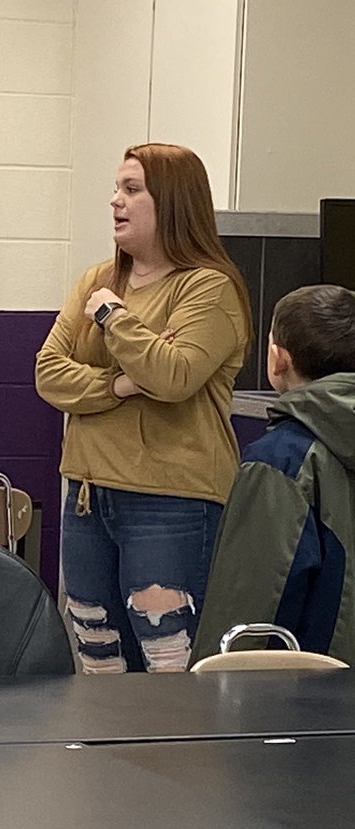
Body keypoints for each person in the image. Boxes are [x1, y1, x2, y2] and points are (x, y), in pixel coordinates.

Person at [35, 142, 252, 674]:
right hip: (89, 495)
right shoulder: (94, 278)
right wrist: (122, 385)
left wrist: (113, 316)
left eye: (132, 190)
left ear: (173, 204)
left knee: (168, 658)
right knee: (98, 651)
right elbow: (48, 373)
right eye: (116, 189)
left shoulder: (209, 288)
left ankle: (174, 761)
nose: (116, 201)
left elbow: (174, 377)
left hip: (172, 501)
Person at [192, 285, 355, 664]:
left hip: (311, 702)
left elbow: (248, 605)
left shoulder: (280, 460)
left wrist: (210, 694)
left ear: (278, 359)